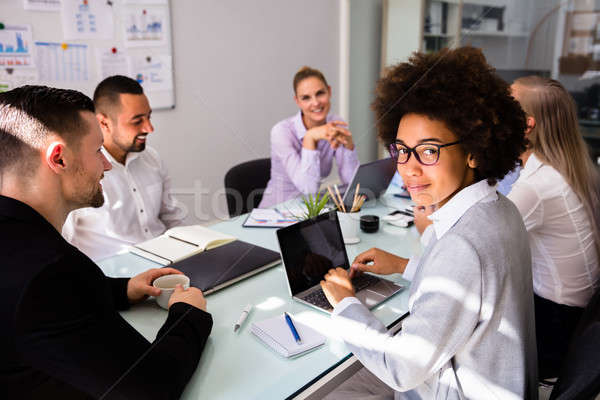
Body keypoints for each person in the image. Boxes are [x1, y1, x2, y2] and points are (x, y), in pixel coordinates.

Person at [320, 47, 538, 399]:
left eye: (429, 150)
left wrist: (346, 304)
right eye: (402, 149)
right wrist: (406, 266)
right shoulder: (501, 209)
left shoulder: (461, 245)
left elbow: (402, 368)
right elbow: (473, 288)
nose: (409, 167)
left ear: (473, 151)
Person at [0, 85, 212, 399]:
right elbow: (153, 387)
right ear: (58, 158)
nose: (107, 164)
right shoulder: (50, 269)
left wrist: (121, 290)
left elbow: (54, 310)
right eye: (98, 150)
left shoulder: (21, 247)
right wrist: (190, 314)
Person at [508, 76, 600, 379]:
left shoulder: (537, 187)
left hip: (555, 327)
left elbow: (481, 244)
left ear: (528, 125)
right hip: (579, 317)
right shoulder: (569, 166)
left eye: (503, 106)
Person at [63, 75, 185, 261]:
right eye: (137, 121)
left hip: (166, 260)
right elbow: (64, 243)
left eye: (149, 117)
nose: (149, 128)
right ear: (103, 122)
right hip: (117, 276)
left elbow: (172, 217)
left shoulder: (151, 158)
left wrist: (191, 250)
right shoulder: (78, 172)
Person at [258, 66, 359, 207]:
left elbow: (353, 184)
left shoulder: (335, 124)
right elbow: (309, 189)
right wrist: (310, 137)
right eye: (306, 98)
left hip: (309, 211)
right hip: (277, 213)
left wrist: (349, 147)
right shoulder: (281, 132)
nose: (316, 103)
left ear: (329, 92)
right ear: (297, 101)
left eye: (320, 93)